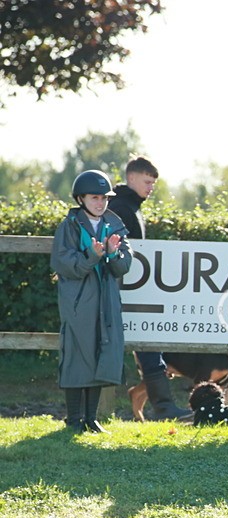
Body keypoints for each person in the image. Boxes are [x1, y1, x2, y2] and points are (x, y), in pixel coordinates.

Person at [108, 155, 192, 421]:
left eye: (153, 183)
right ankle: (164, 407)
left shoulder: (131, 206)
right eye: (147, 181)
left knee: (149, 344)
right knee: (148, 345)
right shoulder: (121, 207)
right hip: (124, 289)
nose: (151, 188)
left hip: (132, 288)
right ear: (131, 177)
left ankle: (164, 406)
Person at [50, 170, 132, 434]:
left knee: (101, 355)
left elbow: (123, 266)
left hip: (106, 302)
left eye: (104, 198)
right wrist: (91, 255)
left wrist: (111, 253)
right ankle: (74, 419)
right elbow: (63, 264)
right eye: (94, 197)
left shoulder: (115, 225)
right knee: (76, 356)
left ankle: (91, 418)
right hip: (77, 302)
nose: (100, 203)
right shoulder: (69, 226)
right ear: (81, 198)